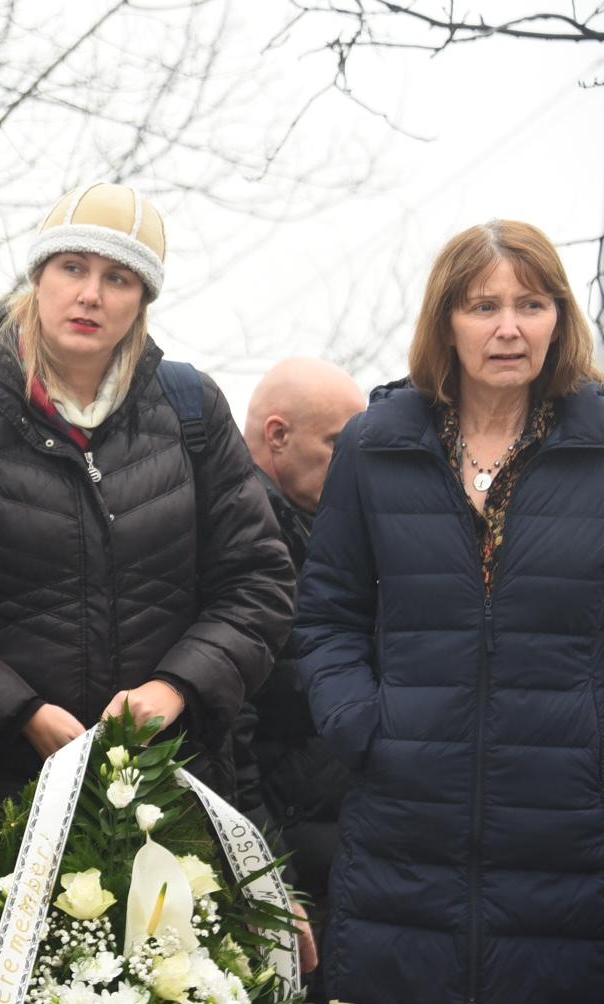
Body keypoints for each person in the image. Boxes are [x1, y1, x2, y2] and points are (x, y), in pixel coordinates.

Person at [0, 181, 296, 933]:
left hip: (168, 797)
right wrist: (22, 714)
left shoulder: (190, 412)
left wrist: (176, 689)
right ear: (38, 278)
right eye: (72, 268)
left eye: (118, 277)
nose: (91, 294)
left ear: (142, 299)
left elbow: (259, 583)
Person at [295, 220, 604, 1003]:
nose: (508, 328)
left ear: (559, 321)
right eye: (482, 306)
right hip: (403, 825)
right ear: (446, 322)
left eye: (532, 305)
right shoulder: (374, 447)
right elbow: (326, 614)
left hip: (569, 824)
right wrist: (362, 723)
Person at [233, 357, 365, 999]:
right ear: (277, 436)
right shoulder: (245, 544)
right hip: (285, 877)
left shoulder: (319, 533)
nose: (357, 462)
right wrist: (266, 875)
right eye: (340, 443)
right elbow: (231, 727)